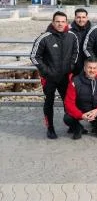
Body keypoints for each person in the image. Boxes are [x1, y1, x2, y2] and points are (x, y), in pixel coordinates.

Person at [30, 11, 80, 139]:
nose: (60, 24)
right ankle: (50, 128)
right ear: (53, 22)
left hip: (65, 76)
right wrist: (46, 71)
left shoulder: (72, 36)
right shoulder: (44, 37)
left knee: (68, 102)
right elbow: (34, 56)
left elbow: (76, 53)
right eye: (57, 21)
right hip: (49, 78)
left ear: (66, 22)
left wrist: (71, 67)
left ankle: (71, 124)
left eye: (63, 21)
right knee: (49, 102)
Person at [63, 57, 97, 139]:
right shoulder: (75, 81)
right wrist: (81, 115)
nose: (92, 70)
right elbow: (68, 103)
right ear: (84, 68)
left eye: (94, 68)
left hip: (96, 110)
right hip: (81, 110)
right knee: (67, 118)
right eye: (89, 67)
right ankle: (78, 128)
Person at [69, 8, 91, 75]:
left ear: (87, 18)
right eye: (78, 17)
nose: (81, 20)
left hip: (90, 67)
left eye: (83, 17)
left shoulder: (92, 31)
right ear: (75, 18)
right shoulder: (69, 32)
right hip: (74, 68)